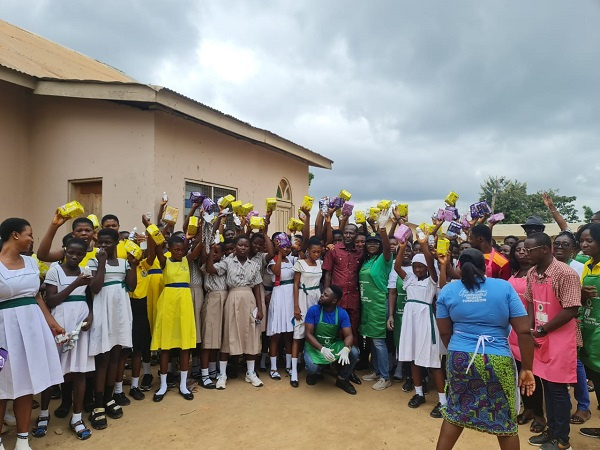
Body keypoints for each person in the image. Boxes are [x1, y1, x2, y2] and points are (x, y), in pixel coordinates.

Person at [435, 248, 536, 450]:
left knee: (455, 412)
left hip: (460, 358)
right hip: (497, 359)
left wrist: (459, 352)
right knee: (505, 420)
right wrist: (527, 368)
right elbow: (524, 331)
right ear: (484, 267)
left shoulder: (447, 290)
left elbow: (445, 333)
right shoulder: (503, 288)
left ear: (459, 268)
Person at [0, 218, 64, 450]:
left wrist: (52, 323)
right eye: (29, 234)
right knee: (2, 387)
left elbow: (36, 296)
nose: (32, 239)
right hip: (3, 332)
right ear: (15, 235)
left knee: (25, 385)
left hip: (32, 330)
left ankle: (22, 440)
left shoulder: (30, 263)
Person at [33, 238, 95, 441]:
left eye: (79, 254)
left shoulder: (86, 270)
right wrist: (76, 283)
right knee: (52, 371)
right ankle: (43, 414)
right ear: (65, 251)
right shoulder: (55, 270)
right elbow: (51, 300)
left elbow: (90, 297)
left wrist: (91, 315)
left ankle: (76, 418)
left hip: (80, 322)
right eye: (71, 253)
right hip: (59, 322)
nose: (75, 257)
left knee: (79, 372)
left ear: (85, 254)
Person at [524, 233, 581, 450]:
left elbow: (571, 309)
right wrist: (530, 330)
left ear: (545, 249)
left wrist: (543, 329)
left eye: (530, 250)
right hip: (540, 337)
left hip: (559, 338)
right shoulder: (532, 272)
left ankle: (562, 439)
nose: (526, 254)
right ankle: (552, 430)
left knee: (557, 390)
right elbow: (530, 302)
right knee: (546, 386)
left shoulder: (565, 274)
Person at [87, 228, 137, 430]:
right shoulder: (94, 262)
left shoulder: (124, 263)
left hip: (121, 313)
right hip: (103, 312)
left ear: (117, 242)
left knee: (116, 356)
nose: (103, 246)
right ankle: (97, 404)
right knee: (103, 358)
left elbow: (131, 286)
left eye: (108, 243)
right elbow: (95, 287)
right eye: (101, 243)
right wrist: (101, 263)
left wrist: (132, 265)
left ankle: (108, 398)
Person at [396, 231, 446, 418]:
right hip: (410, 323)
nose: (417, 270)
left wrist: (424, 246)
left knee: (433, 363)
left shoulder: (432, 281)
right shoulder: (409, 280)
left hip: (425, 322)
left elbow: (432, 266)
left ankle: (443, 402)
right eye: (415, 267)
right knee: (413, 360)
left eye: (420, 267)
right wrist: (401, 248)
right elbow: (397, 267)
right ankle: (419, 394)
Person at [150, 230, 203, 402]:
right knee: (166, 345)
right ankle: (164, 384)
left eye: (182, 249)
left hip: (184, 304)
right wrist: (153, 228)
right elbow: (157, 247)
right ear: (170, 249)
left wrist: (207, 223)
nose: (180, 252)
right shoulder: (165, 262)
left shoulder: (187, 261)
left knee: (185, 345)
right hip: (168, 303)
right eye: (176, 250)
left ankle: (182, 384)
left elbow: (201, 243)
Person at [206, 236, 264, 390]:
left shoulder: (254, 265)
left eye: (245, 245)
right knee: (229, 334)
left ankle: (250, 372)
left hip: (249, 299)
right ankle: (222, 375)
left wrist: (260, 308)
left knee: (251, 334)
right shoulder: (227, 261)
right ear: (235, 247)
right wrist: (211, 250)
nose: (243, 248)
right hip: (232, 298)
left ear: (249, 247)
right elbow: (211, 270)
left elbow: (257, 287)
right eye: (240, 245)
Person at [552, 230, 591, 425]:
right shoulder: (547, 266)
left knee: (575, 364)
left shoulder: (578, 267)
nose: (559, 248)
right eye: (556, 244)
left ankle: (583, 405)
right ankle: (561, 406)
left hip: (572, 321)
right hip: (551, 323)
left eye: (565, 245)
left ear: (573, 250)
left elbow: (581, 298)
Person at [506, 240, 546, 433]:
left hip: (531, 328)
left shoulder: (538, 274)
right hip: (513, 330)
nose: (522, 253)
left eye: (525, 249)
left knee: (533, 373)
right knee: (520, 371)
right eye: (518, 250)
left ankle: (539, 414)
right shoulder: (514, 275)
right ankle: (528, 408)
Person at [322, 224, 363, 385]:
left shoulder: (360, 253)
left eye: (351, 233)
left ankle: (348, 370)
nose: (347, 235)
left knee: (352, 334)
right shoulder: (333, 250)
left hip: (353, 299)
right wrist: (326, 295)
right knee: (334, 333)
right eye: (345, 232)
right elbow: (328, 274)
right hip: (336, 300)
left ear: (355, 235)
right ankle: (333, 367)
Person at [304, 285, 359, 395]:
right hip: (315, 346)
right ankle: (317, 372)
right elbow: (308, 334)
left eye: (325, 295)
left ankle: (342, 379)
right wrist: (322, 349)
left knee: (354, 352)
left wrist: (346, 349)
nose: (322, 296)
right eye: (323, 293)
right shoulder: (313, 310)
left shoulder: (342, 313)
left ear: (334, 301)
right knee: (312, 368)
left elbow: (349, 336)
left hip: (332, 345)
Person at [359, 228, 393, 391]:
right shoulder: (367, 261)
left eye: (375, 243)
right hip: (368, 305)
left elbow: (387, 248)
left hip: (379, 304)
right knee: (372, 338)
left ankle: (385, 377)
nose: (372, 245)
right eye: (369, 243)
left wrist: (383, 231)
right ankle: (376, 370)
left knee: (379, 341)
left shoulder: (383, 259)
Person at [576, 224, 600, 439]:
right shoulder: (588, 266)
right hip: (591, 332)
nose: (584, 244)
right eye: (582, 240)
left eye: (589, 240)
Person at [291, 236, 323, 387]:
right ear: (308, 250)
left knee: (314, 331)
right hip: (303, 299)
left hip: (316, 299)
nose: (316, 254)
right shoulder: (300, 263)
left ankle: (313, 365)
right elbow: (296, 285)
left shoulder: (321, 264)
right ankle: (294, 371)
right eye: (314, 251)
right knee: (298, 334)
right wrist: (296, 306)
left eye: (319, 252)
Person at [266, 234, 297, 380]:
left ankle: (289, 366)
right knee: (276, 334)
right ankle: (273, 368)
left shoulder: (292, 260)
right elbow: (277, 272)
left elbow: (302, 254)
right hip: (278, 296)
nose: (286, 249)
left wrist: (294, 248)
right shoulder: (272, 260)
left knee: (289, 334)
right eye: (283, 246)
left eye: (287, 246)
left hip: (290, 296)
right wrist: (278, 253)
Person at [199, 243, 228, 389]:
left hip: (225, 299)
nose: (214, 254)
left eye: (217, 251)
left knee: (218, 338)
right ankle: (204, 374)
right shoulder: (206, 264)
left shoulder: (224, 263)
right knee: (208, 338)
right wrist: (209, 252)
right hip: (212, 299)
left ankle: (212, 371)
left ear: (223, 253)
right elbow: (210, 269)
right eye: (212, 251)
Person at [387, 240, 413, 388]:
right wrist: (391, 315)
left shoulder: (418, 268)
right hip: (399, 311)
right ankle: (399, 366)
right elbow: (392, 293)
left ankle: (410, 370)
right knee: (399, 339)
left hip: (414, 311)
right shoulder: (393, 269)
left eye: (409, 249)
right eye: (403, 250)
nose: (406, 252)